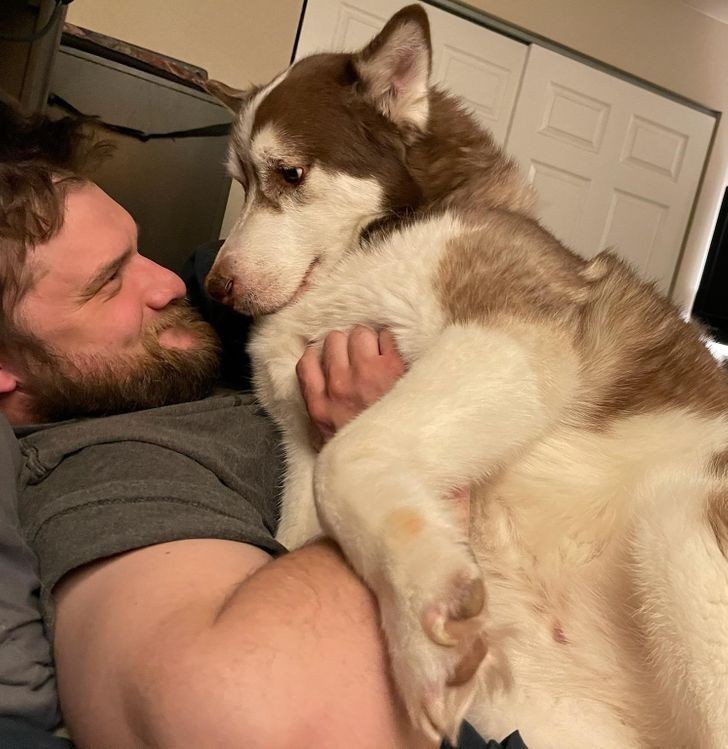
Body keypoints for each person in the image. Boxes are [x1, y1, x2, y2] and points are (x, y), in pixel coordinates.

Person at [1, 101, 525, 748]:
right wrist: (394, 453)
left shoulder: (176, 368)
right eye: (109, 283)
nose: (169, 283)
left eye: (139, 252)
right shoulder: (105, 469)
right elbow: (252, 716)